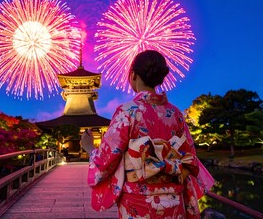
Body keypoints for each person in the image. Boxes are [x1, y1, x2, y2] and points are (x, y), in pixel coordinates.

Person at [81, 50, 213, 218]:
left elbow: (106, 162)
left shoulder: (127, 112)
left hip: (138, 203)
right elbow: (189, 157)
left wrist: (90, 149)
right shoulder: (176, 114)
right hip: (174, 202)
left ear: (133, 75)